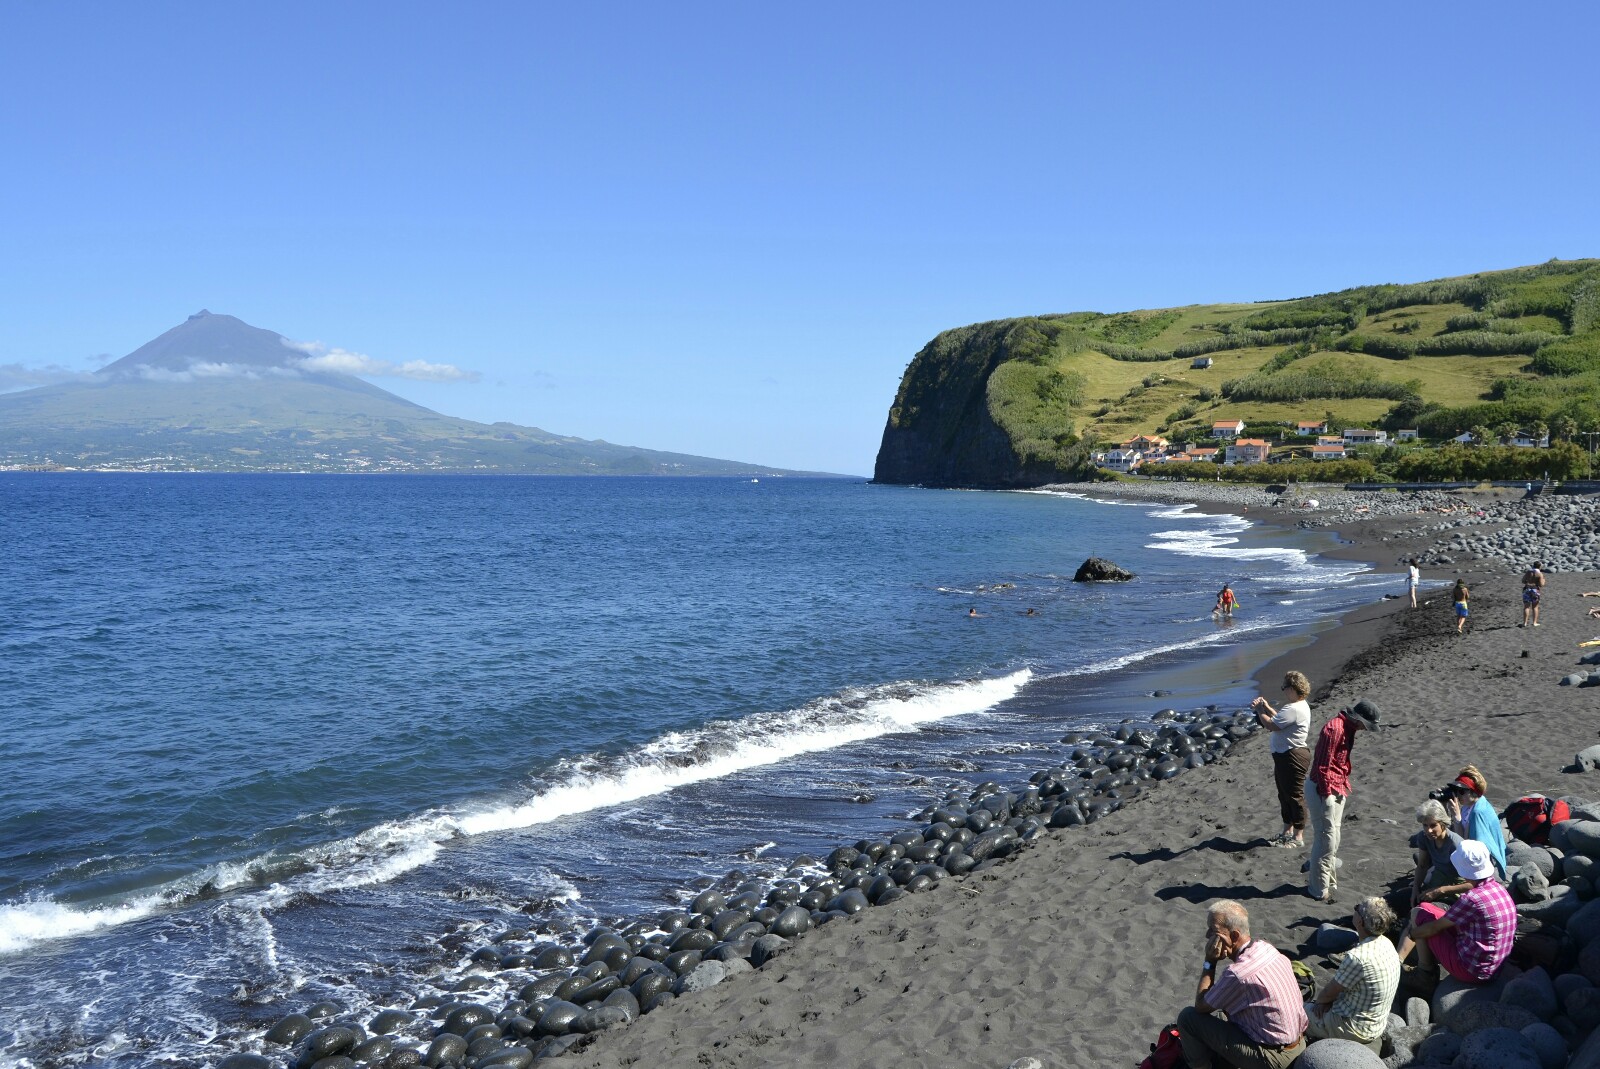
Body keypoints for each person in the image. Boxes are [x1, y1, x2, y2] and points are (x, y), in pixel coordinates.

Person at [1177, 899, 1307, 1069]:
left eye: (1213, 930)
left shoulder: (1238, 973)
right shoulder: (1266, 948)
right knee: (1223, 1013)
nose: (1207, 936)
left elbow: (1201, 1006)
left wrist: (1209, 962)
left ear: (1234, 936)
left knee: (1188, 1018)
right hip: (1298, 1043)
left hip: (1272, 1058)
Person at [1397, 839, 1516, 986]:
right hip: (1496, 967)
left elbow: (1435, 928)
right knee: (1425, 909)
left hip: (1471, 971)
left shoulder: (1472, 898)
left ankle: (1424, 975)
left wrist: (1412, 934)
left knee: (1420, 917)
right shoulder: (1499, 889)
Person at [1305, 700, 1384, 903]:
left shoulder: (1349, 728)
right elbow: (1322, 766)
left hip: (1337, 786)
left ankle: (1328, 882)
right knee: (1325, 841)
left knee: (1334, 839)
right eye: (1365, 725)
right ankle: (1317, 888)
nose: (1364, 729)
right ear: (1357, 718)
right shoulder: (1334, 729)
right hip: (1323, 789)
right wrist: (1327, 795)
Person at [1305, 897, 1402, 1048]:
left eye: (1357, 908)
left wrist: (1321, 1003)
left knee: (1300, 1013)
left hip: (1356, 1028)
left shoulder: (1358, 957)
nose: (1354, 909)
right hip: (1376, 1022)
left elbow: (1330, 992)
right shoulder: (1386, 943)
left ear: (1360, 922)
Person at [1251, 671, 1311, 848]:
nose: (1284, 691)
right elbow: (1280, 719)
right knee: (1284, 795)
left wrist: (1260, 710)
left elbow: (1271, 725)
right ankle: (1287, 832)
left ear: (1292, 688)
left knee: (1294, 796)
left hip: (1292, 756)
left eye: (1285, 688)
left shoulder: (1294, 708)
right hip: (1285, 755)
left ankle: (1298, 837)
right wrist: (1268, 708)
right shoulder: (1297, 706)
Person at [1446, 765, 1508, 881]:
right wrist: (1454, 815)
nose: (1458, 796)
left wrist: (1457, 819)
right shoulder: (1468, 806)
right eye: (1456, 791)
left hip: (1482, 864)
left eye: (1462, 791)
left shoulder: (1477, 812)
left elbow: (1471, 848)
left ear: (1474, 791)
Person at [1410, 799, 1467, 905]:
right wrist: (1415, 889)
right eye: (1425, 825)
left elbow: (1473, 883)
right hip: (1437, 878)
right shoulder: (1424, 837)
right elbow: (1422, 865)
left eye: (1433, 825)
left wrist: (1440, 891)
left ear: (1443, 823)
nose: (1429, 830)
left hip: (1456, 888)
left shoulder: (1456, 845)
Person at [1521, 561, 1546, 628]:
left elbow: (1523, 581)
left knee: (1526, 606)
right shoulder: (1539, 574)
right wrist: (1543, 580)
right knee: (1535, 607)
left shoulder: (1528, 572)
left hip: (1527, 589)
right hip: (1535, 590)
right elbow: (1541, 585)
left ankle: (1525, 623)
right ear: (1540, 566)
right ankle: (1534, 622)